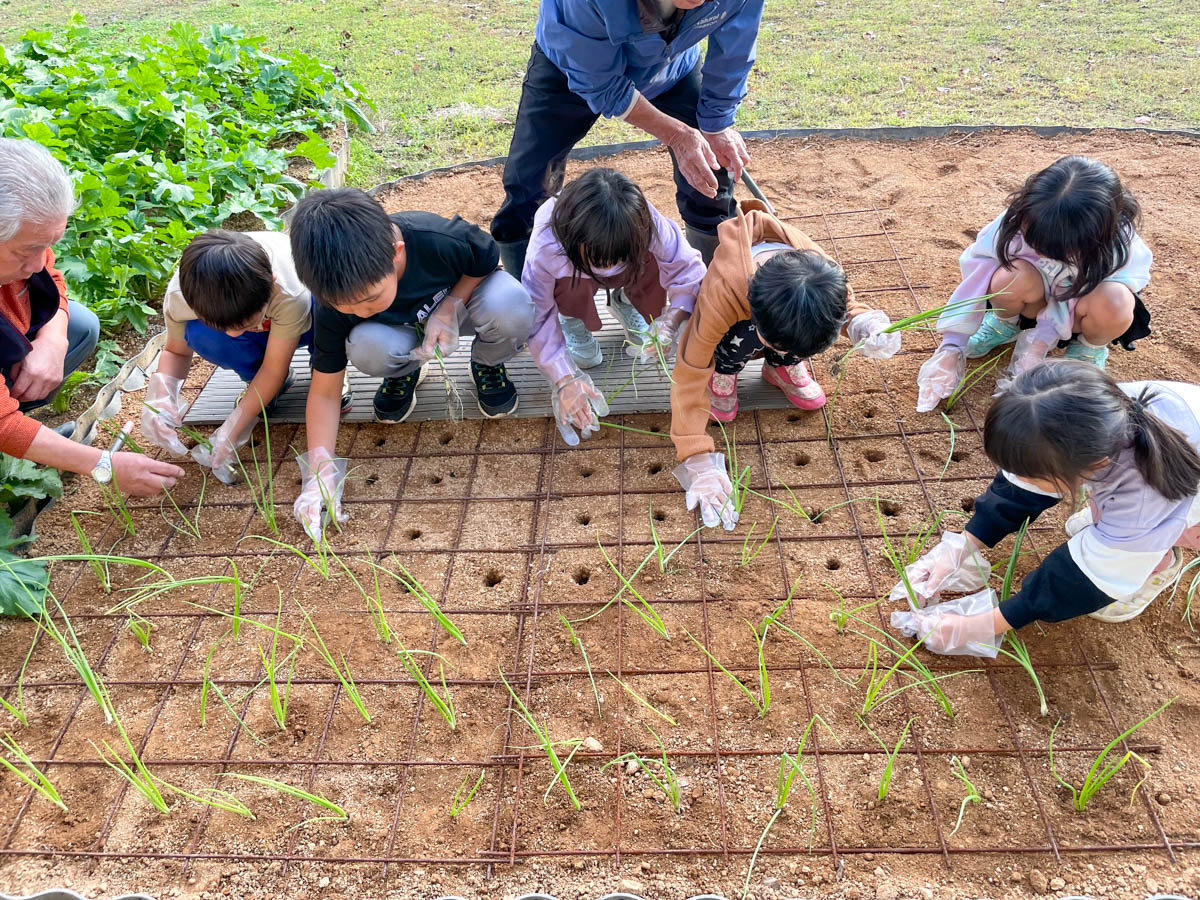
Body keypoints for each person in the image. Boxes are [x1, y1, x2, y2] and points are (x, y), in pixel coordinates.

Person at [892, 361, 1200, 657]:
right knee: (1111, 522)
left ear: (1089, 465)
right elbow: (1020, 487)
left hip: (1182, 491)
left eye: (1034, 475)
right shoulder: (1084, 414)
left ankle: (1160, 561)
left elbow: (1082, 582)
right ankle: (1113, 527)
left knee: (1138, 544)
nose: (1021, 480)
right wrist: (963, 544)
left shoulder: (1144, 500)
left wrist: (980, 625)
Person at [287, 188, 535, 538]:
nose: (359, 311)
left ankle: (488, 363)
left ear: (396, 254)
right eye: (347, 307)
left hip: (460, 306)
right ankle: (407, 370)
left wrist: (450, 305)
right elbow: (325, 392)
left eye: (371, 299)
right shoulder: (331, 298)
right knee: (366, 345)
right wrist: (319, 472)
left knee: (512, 306)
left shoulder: (435, 238)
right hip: (402, 332)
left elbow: (485, 257)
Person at [668, 199, 901, 529]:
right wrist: (696, 457)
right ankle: (726, 371)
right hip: (737, 324)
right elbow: (689, 371)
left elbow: (847, 305)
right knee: (743, 336)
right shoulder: (722, 291)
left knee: (796, 333)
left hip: (773, 314)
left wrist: (862, 323)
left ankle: (781, 366)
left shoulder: (823, 273)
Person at [490, 0, 765, 276]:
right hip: (572, 69)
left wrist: (716, 124)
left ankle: (715, 288)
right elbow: (602, 85)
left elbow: (735, 49)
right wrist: (677, 135)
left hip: (670, 67)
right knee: (528, 183)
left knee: (710, 175)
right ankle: (529, 298)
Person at [0, 138, 181, 495]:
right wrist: (102, 464)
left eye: (48, 244)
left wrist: (53, 340)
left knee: (79, 326)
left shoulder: (23, 241)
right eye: (28, 250)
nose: (38, 262)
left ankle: (31, 438)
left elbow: (49, 276)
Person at [916, 155, 1152, 413]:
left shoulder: (1121, 246)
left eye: (1058, 250)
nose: (1042, 255)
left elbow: (1088, 291)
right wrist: (953, 344)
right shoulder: (1018, 220)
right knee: (1009, 276)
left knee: (1115, 300)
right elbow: (977, 277)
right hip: (1030, 303)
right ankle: (1005, 324)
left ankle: (1088, 349)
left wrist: (1039, 344)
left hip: (1080, 313)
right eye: (1035, 242)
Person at [141, 230, 349, 483]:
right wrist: (162, 398)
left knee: (323, 306)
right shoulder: (181, 298)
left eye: (246, 323)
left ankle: (328, 369)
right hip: (267, 319)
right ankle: (256, 378)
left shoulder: (288, 291)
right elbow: (175, 351)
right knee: (199, 334)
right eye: (224, 326)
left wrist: (233, 427)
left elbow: (275, 367)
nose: (233, 333)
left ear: (271, 284)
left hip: (304, 318)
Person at [524, 168, 705, 445]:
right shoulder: (549, 243)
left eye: (615, 258)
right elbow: (537, 312)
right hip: (574, 277)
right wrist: (563, 378)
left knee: (653, 267)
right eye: (599, 259)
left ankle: (625, 301)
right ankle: (572, 318)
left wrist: (670, 322)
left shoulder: (644, 221)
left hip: (633, 266)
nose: (607, 268)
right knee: (571, 287)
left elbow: (686, 270)